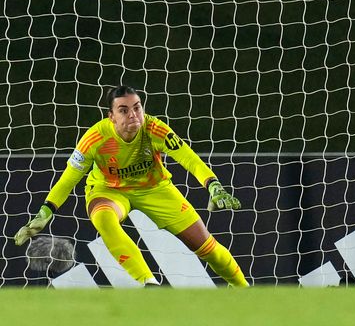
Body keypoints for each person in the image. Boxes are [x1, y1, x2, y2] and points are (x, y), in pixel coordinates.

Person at [14, 85, 249, 287]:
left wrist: (213, 185)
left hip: (155, 188)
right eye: (123, 110)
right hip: (109, 190)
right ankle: (149, 283)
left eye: (137, 108)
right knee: (104, 219)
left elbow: (189, 158)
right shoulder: (94, 139)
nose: (133, 115)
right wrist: (45, 212)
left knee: (206, 247)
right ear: (111, 117)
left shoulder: (154, 129)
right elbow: (68, 179)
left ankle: (244, 289)